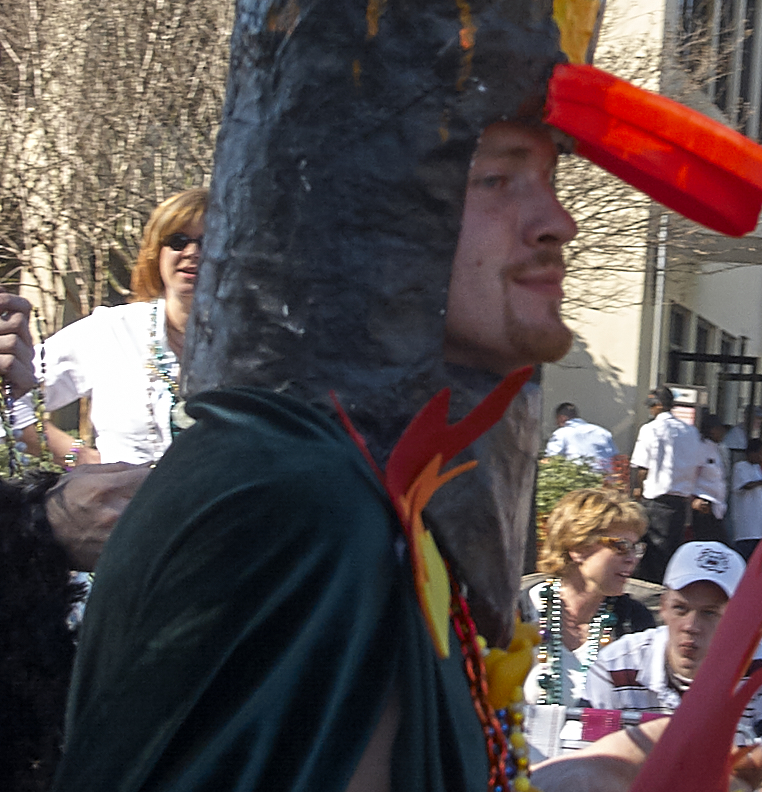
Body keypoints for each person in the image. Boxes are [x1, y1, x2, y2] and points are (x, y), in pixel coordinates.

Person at [52, 123, 578, 792]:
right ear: (363, 224)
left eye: (549, 181)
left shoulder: (368, 477)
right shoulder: (291, 494)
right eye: (497, 181)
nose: (558, 222)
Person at [0, 287, 149, 792]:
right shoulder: (118, 329)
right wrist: (39, 527)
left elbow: (8, 433)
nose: (192, 256)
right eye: (178, 241)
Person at [10, 188, 206, 465]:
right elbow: (5, 402)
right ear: (157, 253)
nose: (192, 252)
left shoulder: (259, 346)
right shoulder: (112, 331)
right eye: (178, 240)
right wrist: (82, 458)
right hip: (125, 506)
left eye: (208, 242)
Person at [587, 540, 762, 788]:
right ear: (663, 607)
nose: (691, 626)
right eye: (681, 608)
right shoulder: (615, 665)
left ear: (738, 618)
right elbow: (587, 766)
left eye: (709, 613)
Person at [523, 487, 654, 708]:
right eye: (621, 546)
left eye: (637, 548)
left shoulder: (635, 621)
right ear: (578, 547)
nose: (632, 558)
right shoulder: (521, 610)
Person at [630, 386, 704, 583]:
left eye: (652, 406)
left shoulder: (651, 429)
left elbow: (642, 467)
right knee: (672, 550)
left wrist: (638, 489)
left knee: (652, 552)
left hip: (656, 500)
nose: (651, 410)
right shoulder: (690, 431)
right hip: (680, 503)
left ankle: (651, 595)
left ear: (659, 405)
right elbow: (697, 465)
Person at [544, 404, 618, 474]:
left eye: (557, 419)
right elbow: (614, 458)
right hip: (606, 482)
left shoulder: (562, 433)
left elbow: (552, 459)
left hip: (578, 480)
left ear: (562, 417)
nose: (556, 423)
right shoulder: (603, 432)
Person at [691, 414, 730, 545]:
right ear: (712, 430)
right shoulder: (700, 449)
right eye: (721, 429)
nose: (723, 433)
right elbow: (690, 476)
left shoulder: (718, 450)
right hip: (704, 506)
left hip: (717, 508)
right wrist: (693, 500)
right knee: (707, 544)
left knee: (718, 545)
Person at [731, 437, 762, 561]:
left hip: (759, 525)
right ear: (752, 453)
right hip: (746, 525)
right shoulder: (740, 466)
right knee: (744, 557)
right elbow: (745, 485)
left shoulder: (758, 469)